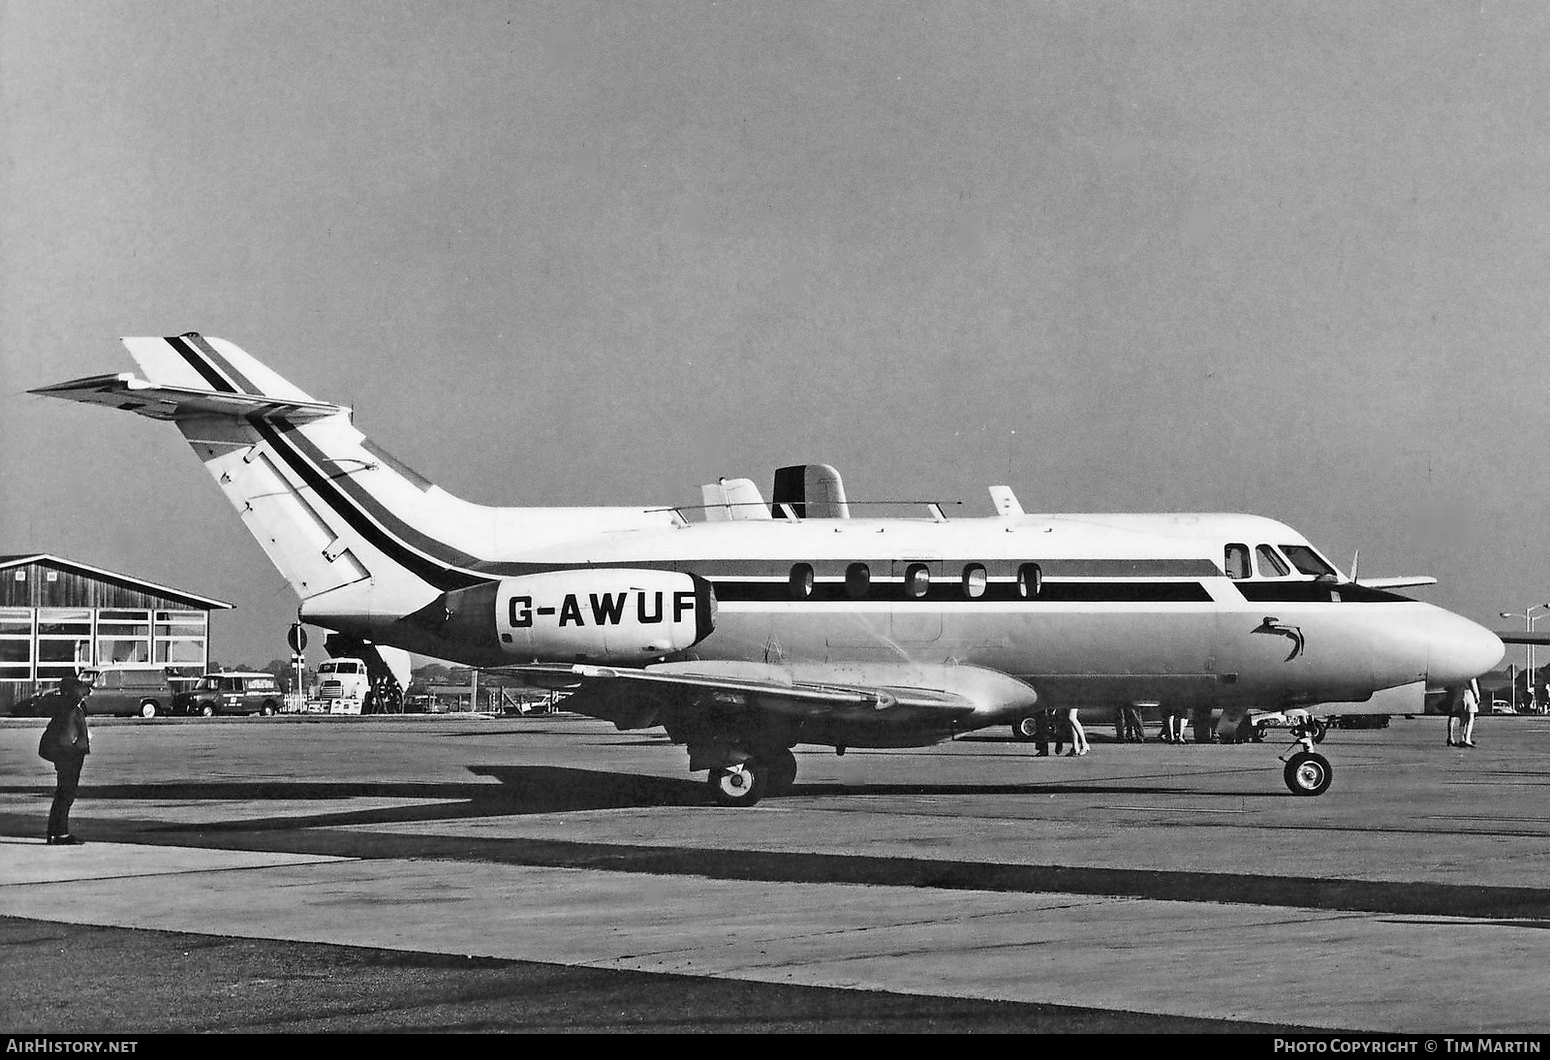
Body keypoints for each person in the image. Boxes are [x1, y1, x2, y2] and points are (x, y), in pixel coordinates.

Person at [36, 673, 93, 845]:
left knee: (62, 794)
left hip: (65, 756)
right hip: (70, 756)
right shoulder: (71, 709)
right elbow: (67, 736)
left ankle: (55, 832)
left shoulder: (65, 706)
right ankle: (60, 833)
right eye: (82, 694)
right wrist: (74, 748)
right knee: (66, 795)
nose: (84, 696)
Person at [1448, 680, 1479, 748]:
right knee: (1471, 717)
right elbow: (1473, 683)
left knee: (1463, 718)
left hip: (1461, 693)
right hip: (1469, 693)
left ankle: (1462, 739)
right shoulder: (1470, 672)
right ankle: (1467, 739)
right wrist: (1477, 695)